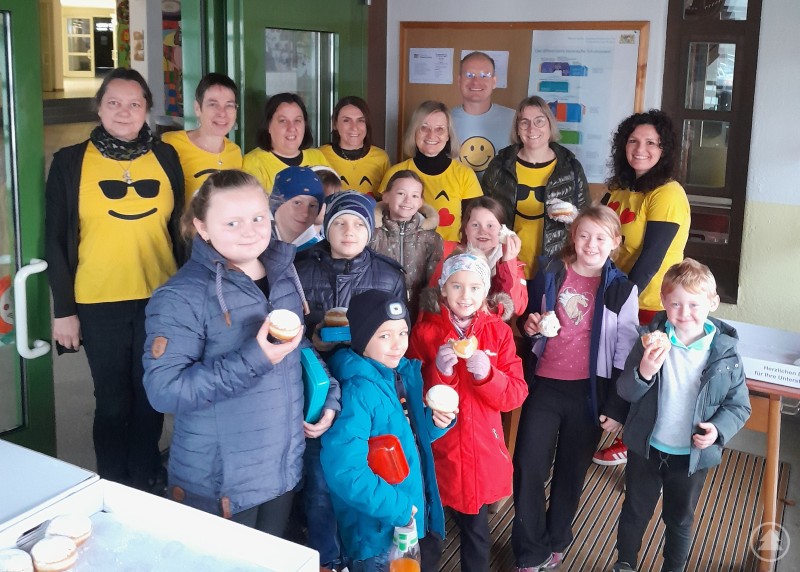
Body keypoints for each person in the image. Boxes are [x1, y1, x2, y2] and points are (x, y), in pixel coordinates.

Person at [141, 169, 337, 537]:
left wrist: (329, 393)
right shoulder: (181, 296)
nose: (250, 230)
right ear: (202, 228)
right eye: (232, 222)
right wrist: (256, 358)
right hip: (219, 487)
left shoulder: (282, 272)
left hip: (280, 471)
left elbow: (297, 346)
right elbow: (164, 390)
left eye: (258, 218)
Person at [45, 67, 184, 491]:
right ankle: (111, 482)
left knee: (151, 396)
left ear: (147, 111)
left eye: (134, 104)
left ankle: (144, 476)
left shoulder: (165, 157)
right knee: (112, 401)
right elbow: (54, 240)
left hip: (160, 297)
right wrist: (63, 312)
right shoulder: (70, 161)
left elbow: (178, 227)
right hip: (97, 299)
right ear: (100, 107)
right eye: (114, 102)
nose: (124, 111)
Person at [511, 206, 639, 571]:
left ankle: (557, 538)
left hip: (589, 393)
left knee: (571, 470)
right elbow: (528, 318)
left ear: (615, 242)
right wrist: (531, 324)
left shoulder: (620, 289)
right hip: (546, 386)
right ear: (573, 236)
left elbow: (623, 352)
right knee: (529, 465)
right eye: (584, 235)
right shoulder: (551, 270)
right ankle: (530, 549)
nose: (591, 244)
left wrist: (616, 407)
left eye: (601, 237)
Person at [612, 258, 750, 572]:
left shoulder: (725, 352)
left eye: (693, 304)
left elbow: (739, 405)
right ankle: (624, 563)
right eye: (675, 304)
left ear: (713, 302)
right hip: (646, 448)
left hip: (692, 456)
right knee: (634, 510)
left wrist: (717, 430)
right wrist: (645, 370)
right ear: (663, 301)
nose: (684, 313)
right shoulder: (649, 339)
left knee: (680, 519)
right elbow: (626, 392)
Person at [295, 190, 406, 571]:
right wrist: (313, 340)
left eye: (359, 223)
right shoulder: (300, 265)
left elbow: (398, 336)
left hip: (365, 387)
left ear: (371, 230)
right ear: (325, 227)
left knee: (367, 472)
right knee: (319, 480)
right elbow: (285, 326)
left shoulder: (388, 273)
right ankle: (328, 558)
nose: (349, 230)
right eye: (340, 222)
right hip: (318, 385)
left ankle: (363, 553)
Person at [408, 251, 528, 572]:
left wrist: (487, 374)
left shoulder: (499, 334)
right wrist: (439, 371)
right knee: (430, 534)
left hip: (479, 450)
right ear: (443, 290)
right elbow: (410, 393)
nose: (466, 295)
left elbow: (516, 394)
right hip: (438, 452)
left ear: (485, 292)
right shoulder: (425, 333)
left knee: (477, 533)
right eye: (457, 286)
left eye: (475, 288)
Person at [321, 291, 456, 571]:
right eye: (384, 336)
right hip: (377, 537)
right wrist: (400, 509)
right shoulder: (357, 391)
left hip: (408, 518)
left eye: (403, 333)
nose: (397, 345)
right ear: (361, 338)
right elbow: (346, 472)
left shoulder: (399, 376)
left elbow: (408, 439)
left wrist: (435, 423)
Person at [594, 110, 691, 467]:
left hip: (649, 301)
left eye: (651, 142)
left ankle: (634, 446)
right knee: (621, 372)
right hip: (618, 295)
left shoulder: (668, 192)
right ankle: (622, 433)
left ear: (664, 150)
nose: (640, 149)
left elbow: (651, 257)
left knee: (644, 377)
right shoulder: (619, 189)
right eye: (633, 140)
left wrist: (625, 296)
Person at [482, 95, 589, 279]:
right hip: (506, 266)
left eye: (539, 121)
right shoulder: (500, 165)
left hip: (555, 267)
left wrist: (573, 217)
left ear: (550, 124)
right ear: (517, 128)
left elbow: (587, 220)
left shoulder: (570, 167)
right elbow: (481, 213)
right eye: (524, 122)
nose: (532, 129)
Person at [377, 100, 483, 242]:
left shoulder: (465, 175)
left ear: (448, 135)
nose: (431, 135)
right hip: (402, 256)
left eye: (439, 129)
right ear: (414, 132)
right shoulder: (396, 173)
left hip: (449, 258)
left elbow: (475, 226)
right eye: (424, 128)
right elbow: (379, 222)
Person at [429, 196, 527, 317]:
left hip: (490, 332)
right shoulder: (446, 253)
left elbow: (517, 308)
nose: (483, 231)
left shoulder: (513, 264)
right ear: (466, 228)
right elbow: (431, 300)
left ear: (502, 231)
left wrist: (508, 262)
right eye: (475, 225)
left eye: (490, 226)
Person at [371, 170, 443, 320]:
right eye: (401, 193)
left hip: (418, 312)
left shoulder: (431, 238)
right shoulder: (372, 234)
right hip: (379, 308)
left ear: (421, 202)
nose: (407, 200)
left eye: (415, 196)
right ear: (386, 196)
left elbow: (434, 282)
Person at [162, 72, 242, 204]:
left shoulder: (235, 152)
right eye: (213, 104)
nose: (222, 113)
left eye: (229, 105)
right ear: (198, 108)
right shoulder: (170, 144)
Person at [242, 92, 330, 191]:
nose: (291, 128)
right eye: (283, 121)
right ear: (268, 126)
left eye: (297, 120)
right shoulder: (254, 163)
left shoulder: (317, 157)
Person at [451, 51, 516, 179]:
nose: (475, 81)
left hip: (501, 197)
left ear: (494, 81)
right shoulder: (443, 120)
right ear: (459, 81)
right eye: (469, 75)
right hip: (455, 197)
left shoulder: (515, 119)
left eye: (484, 75)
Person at [319, 96, 390, 197]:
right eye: (346, 120)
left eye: (360, 120)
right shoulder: (320, 155)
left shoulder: (381, 158)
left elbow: (387, 200)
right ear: (335, 124)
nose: (354, 127)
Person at [270, 165, 324, 253]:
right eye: (297, 203)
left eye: (312, 206)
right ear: (278, 202)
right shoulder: (253, 239)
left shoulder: (317, 252)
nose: (305, 213)